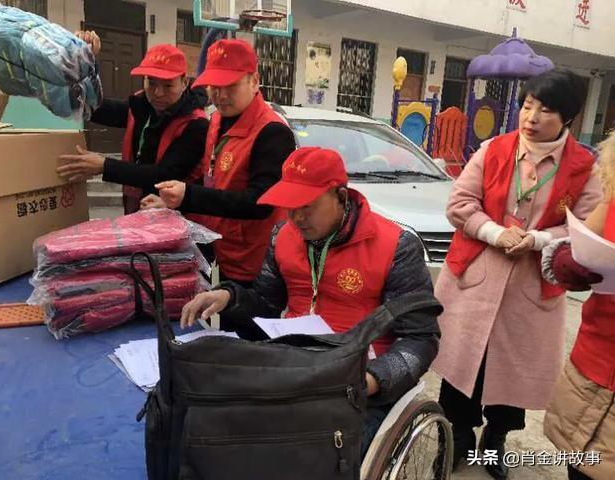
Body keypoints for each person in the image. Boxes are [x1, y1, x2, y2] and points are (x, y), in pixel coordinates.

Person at [179, 147, 443, 457]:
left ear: (340, 196)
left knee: (315, 454)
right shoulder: (283, 236)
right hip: (293, 366)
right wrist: (229, 297)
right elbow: (265, 302)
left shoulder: (396, 246)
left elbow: (420, 338)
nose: (296, 218)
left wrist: (372, 380)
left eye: (307, 206)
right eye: (290, 206)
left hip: (357, 378)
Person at [431, 69, 603, 479]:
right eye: (528, 106)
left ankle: (495, 441)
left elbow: (586, 226)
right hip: (476, 279)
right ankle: (458, 437)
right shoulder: (493, 149)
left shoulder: (584, 168)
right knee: (463, 367)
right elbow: (460, 204)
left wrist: (539, 239)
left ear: (568, 117)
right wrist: (494, 232)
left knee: (512, 375)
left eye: (546, 110)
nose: (532, 117)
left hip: (531, 284)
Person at [140, 39, 296, 337]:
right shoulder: (217, 120)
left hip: (255, 263)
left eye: (230, 86)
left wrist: (189, 196)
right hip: (222, 252)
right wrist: (174, 201)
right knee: (221, 333)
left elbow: (259, 203)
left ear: (254, 81)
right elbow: (212, 180)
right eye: (214, 86)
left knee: (249, 341)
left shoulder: (272, 132)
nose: (220, 95)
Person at [57, 31, 209, 214]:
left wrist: (104, 166)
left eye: (168, 85)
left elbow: (164, 174)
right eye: (151, 83)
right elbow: (93, 107)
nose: (158, 93)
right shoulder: (141, 106)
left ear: (184, 82)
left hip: (177, 218)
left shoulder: (197, 124)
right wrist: (84, 59)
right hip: (137, 209)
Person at [541, 130, 615, 480]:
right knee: (580, 467)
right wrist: (568, 260)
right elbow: (583, 239)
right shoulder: (613, 197)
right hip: (593, 367)